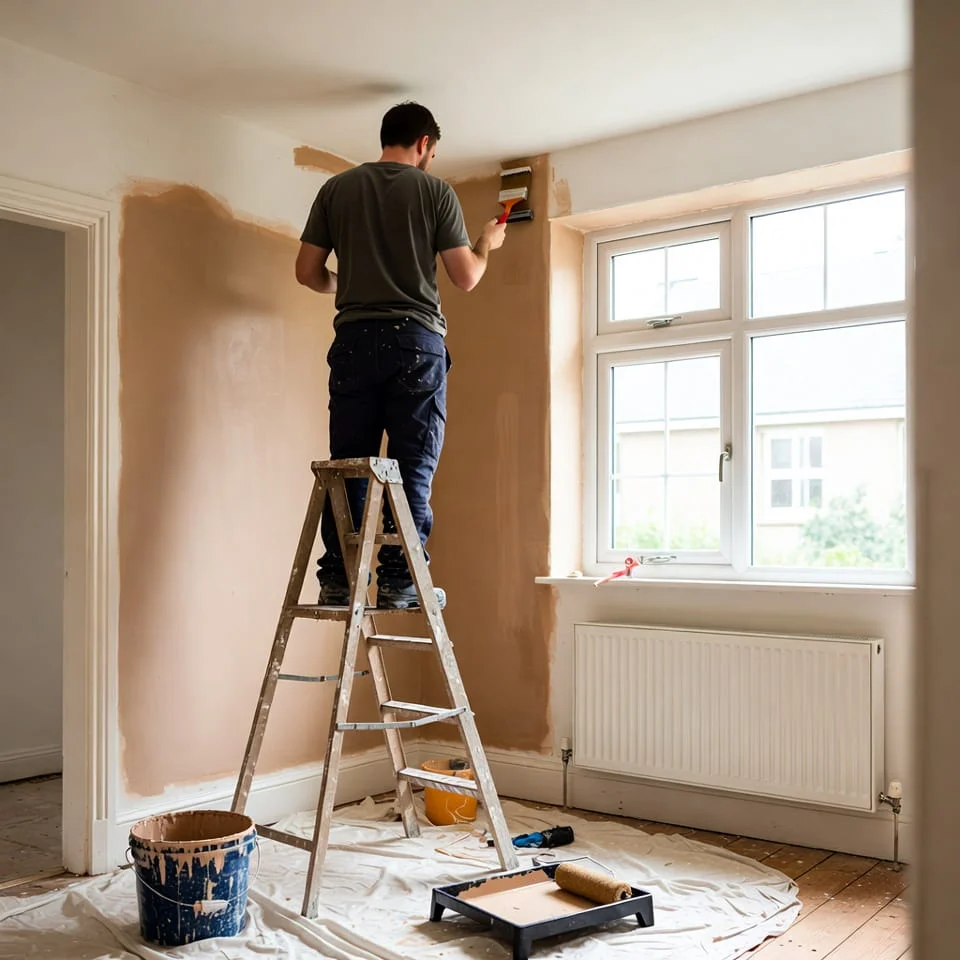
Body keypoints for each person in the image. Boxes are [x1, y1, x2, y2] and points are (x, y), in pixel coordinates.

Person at [295, 102, 506, 609]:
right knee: (411, 464)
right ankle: (399, 581)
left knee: (351, 466)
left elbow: (307, 272)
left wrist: (350, 286)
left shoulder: (336, 190)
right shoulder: (435, 191)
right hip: (415, 343)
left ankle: (339, 581)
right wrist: (486, 241)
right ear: (425, 145)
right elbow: (466, 276)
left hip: (353, 344)